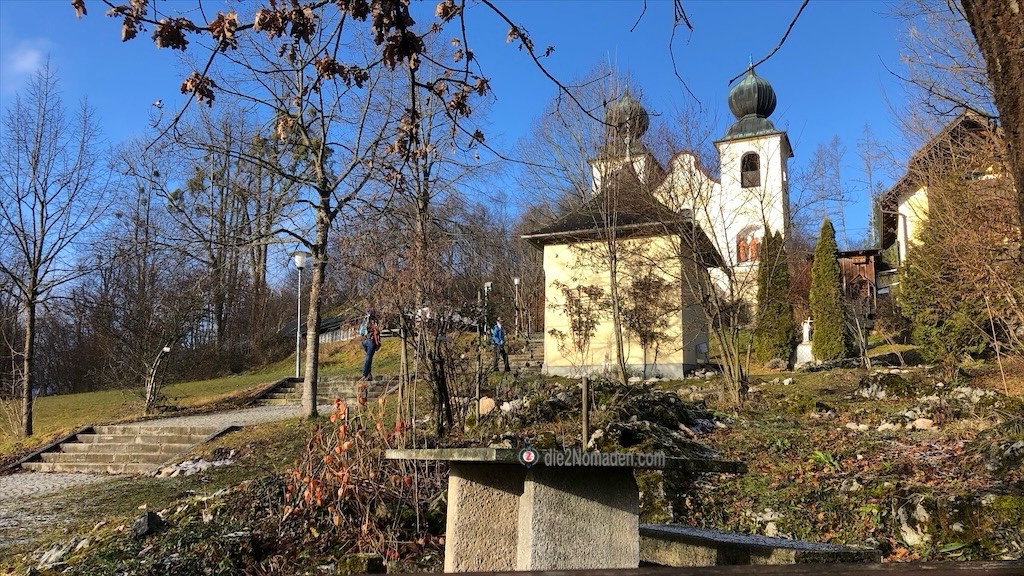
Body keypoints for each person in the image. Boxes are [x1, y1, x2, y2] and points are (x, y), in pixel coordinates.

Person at [359, 308, 381, 380]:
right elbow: (376, 331)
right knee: (368, 358)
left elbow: (361, 332)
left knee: (368, 357)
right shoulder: (370, 320)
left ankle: (367, 374)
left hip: (367, 340)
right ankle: (366, 375)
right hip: (368, 340)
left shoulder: (367, 320)